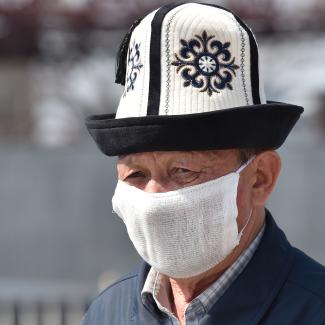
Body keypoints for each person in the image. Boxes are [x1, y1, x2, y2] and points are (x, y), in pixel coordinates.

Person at [82, 2, 325, 324]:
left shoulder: (313, 309)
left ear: (260, 178)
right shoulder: (108, 312)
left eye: (183, 171)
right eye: (136, 174)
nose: (153, 198)